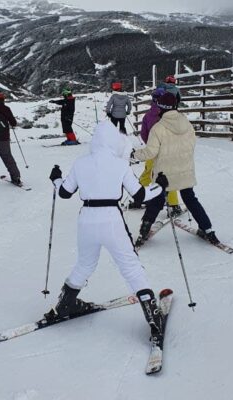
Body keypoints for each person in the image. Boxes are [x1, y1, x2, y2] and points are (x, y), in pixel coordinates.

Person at [46, 120, 169, 343]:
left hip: (86, 219)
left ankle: (66, 303)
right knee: (130, 266)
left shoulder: (81, 163)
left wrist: (55, 177)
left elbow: (64, 192)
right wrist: (160, 185)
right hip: (111, 218)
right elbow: (140, 196)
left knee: (84, 264)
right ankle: (152, 317)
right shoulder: (119, 165)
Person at [133, 92, 220, 245]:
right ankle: (208, 230)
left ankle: (144, 231)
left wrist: (134, 154)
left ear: (160, 107)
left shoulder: (158, 128)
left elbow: (150, 152)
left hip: (164, 175)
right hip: (185, 170)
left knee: (156, 201)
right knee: (190, 199)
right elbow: (192, 144)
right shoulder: (186, 123)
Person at [128, 89, 182, 216]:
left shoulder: (148, 115)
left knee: (147, 173)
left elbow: (143, 133)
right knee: (167, 176)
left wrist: (150, 144)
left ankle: (139, 197)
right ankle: (173, 205)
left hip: (151, 151)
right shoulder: (169, 115)